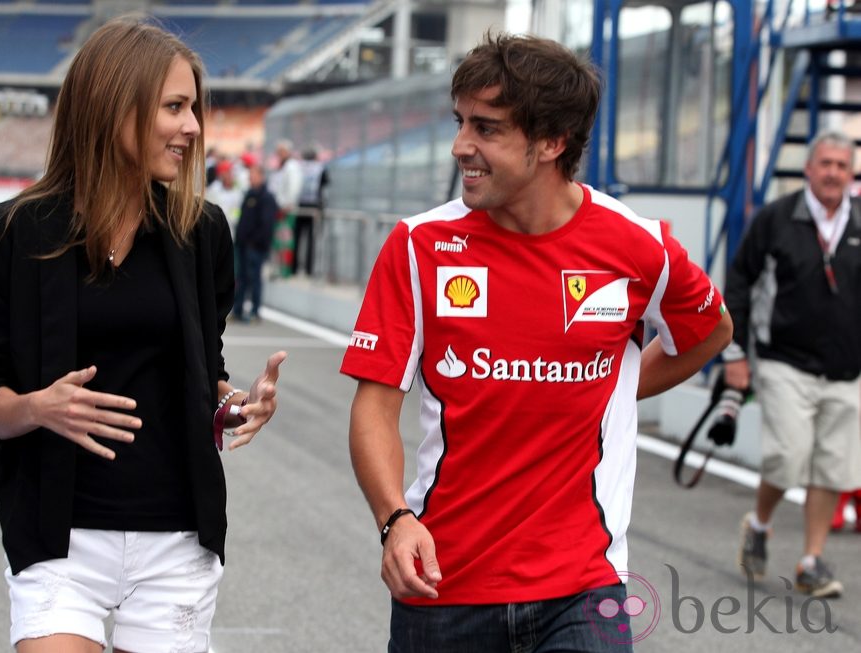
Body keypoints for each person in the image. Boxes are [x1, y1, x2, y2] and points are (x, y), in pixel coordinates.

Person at [341, 32, 732, 653]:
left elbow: (709, 330)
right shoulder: (418, 246)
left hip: (585, 585)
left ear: (551, 143)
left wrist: (617, 387)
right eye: (460, 122)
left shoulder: (636, 245)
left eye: (487, 129)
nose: (460, 146)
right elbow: (374, 406)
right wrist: (395, 519)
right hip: (445, 583)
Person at [0, 18, 287, 653]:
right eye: (175, 107)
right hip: (57, 537)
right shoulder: (14, 232)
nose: (193, 127)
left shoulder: (203, 233)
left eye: (193, 107)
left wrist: (232, 407)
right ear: (115, 109)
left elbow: (205, 376)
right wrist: (39, 406)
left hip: (174, 538)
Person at [726, 129, 861, 598]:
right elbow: (738, 285)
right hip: (785, 361)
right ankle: (760, 524)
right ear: (808, 169)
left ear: (851, 173)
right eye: (825, 164)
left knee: (830, 469)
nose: (832, 173)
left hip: (846, 370)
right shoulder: (776, 219)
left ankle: (811, 561)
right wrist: (736, 355)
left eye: (841, 166)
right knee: (787, 457)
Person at [233, 165, 278, 323]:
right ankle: (238, 309)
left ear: (261, 176)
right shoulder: (249, 194)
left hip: (255, 247)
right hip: (243, 245)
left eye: (253, 175)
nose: (250, 178)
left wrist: (254, 242)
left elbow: (266, 225)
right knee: (241, 278)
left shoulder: (267, 197)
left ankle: (255, 311)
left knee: (254, 278)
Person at [291, 145, 329, 276]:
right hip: (313, 206)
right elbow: (325, 184)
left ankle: (294, 267)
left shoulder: (299, 166)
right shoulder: (320, 168)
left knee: (296, 238)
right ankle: (308, 269)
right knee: (311, 239)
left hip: (299, 205)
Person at [267, 139, 302, 277]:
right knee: (278, 242)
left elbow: (293, 189)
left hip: (286, 210)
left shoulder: (292, 167)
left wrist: (287, 205)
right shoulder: (282, 167)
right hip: (278, 209)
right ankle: (278, 268)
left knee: (285, 242)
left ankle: (285, 271)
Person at [205, 158, 245, 238]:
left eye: (230, 173)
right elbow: (208, 208)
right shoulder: (213, 189)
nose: (229, 176)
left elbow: (237, 210)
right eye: (226, 173)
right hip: (215, 231)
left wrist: (233, 219)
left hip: (231, 231)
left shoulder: (238, 192)